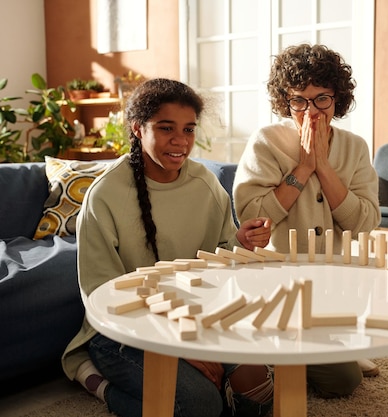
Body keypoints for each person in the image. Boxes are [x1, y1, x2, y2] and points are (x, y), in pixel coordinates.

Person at [61, 78, 274, 417]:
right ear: (137, 129)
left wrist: (241, 242)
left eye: (188, 129)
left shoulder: (206, 185)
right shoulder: (104, 195)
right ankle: (99, 384)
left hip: (197, 317)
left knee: (261, 387)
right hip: (121, 332)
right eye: (165, 128)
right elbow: (102, 296)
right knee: (201, 405)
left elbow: (221, 254)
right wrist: (178, 347)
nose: (180, 141)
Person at [232, 44, 382, 395]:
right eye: (299, 100)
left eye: (321, 99)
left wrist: (324, 167)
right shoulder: (267, 142)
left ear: (337, 99)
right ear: (286, 101)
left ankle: (331, 344)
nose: (310, 111)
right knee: (342, 381)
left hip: (336, 290)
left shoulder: (355, 147)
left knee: (343, 377)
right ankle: (276, 348)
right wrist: (302, 168)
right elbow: (252, 216)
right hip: (278, 292)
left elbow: (365, 222)